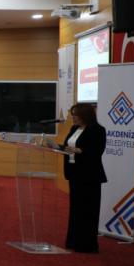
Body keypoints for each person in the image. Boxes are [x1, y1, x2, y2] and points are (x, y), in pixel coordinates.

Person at [49, 103, 106, 253]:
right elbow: (68, 146)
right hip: (74, 173)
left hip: (89, 175)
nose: (73, 117)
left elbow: (97, 152)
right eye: (72, 114)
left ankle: (87, 245)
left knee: (88, 210)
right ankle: (74, 241)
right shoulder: (74, 128)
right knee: (76, 209)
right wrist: (56, 147)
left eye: (75, 115)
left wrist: (79, 150)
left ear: (85, 115)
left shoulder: (97, 130)